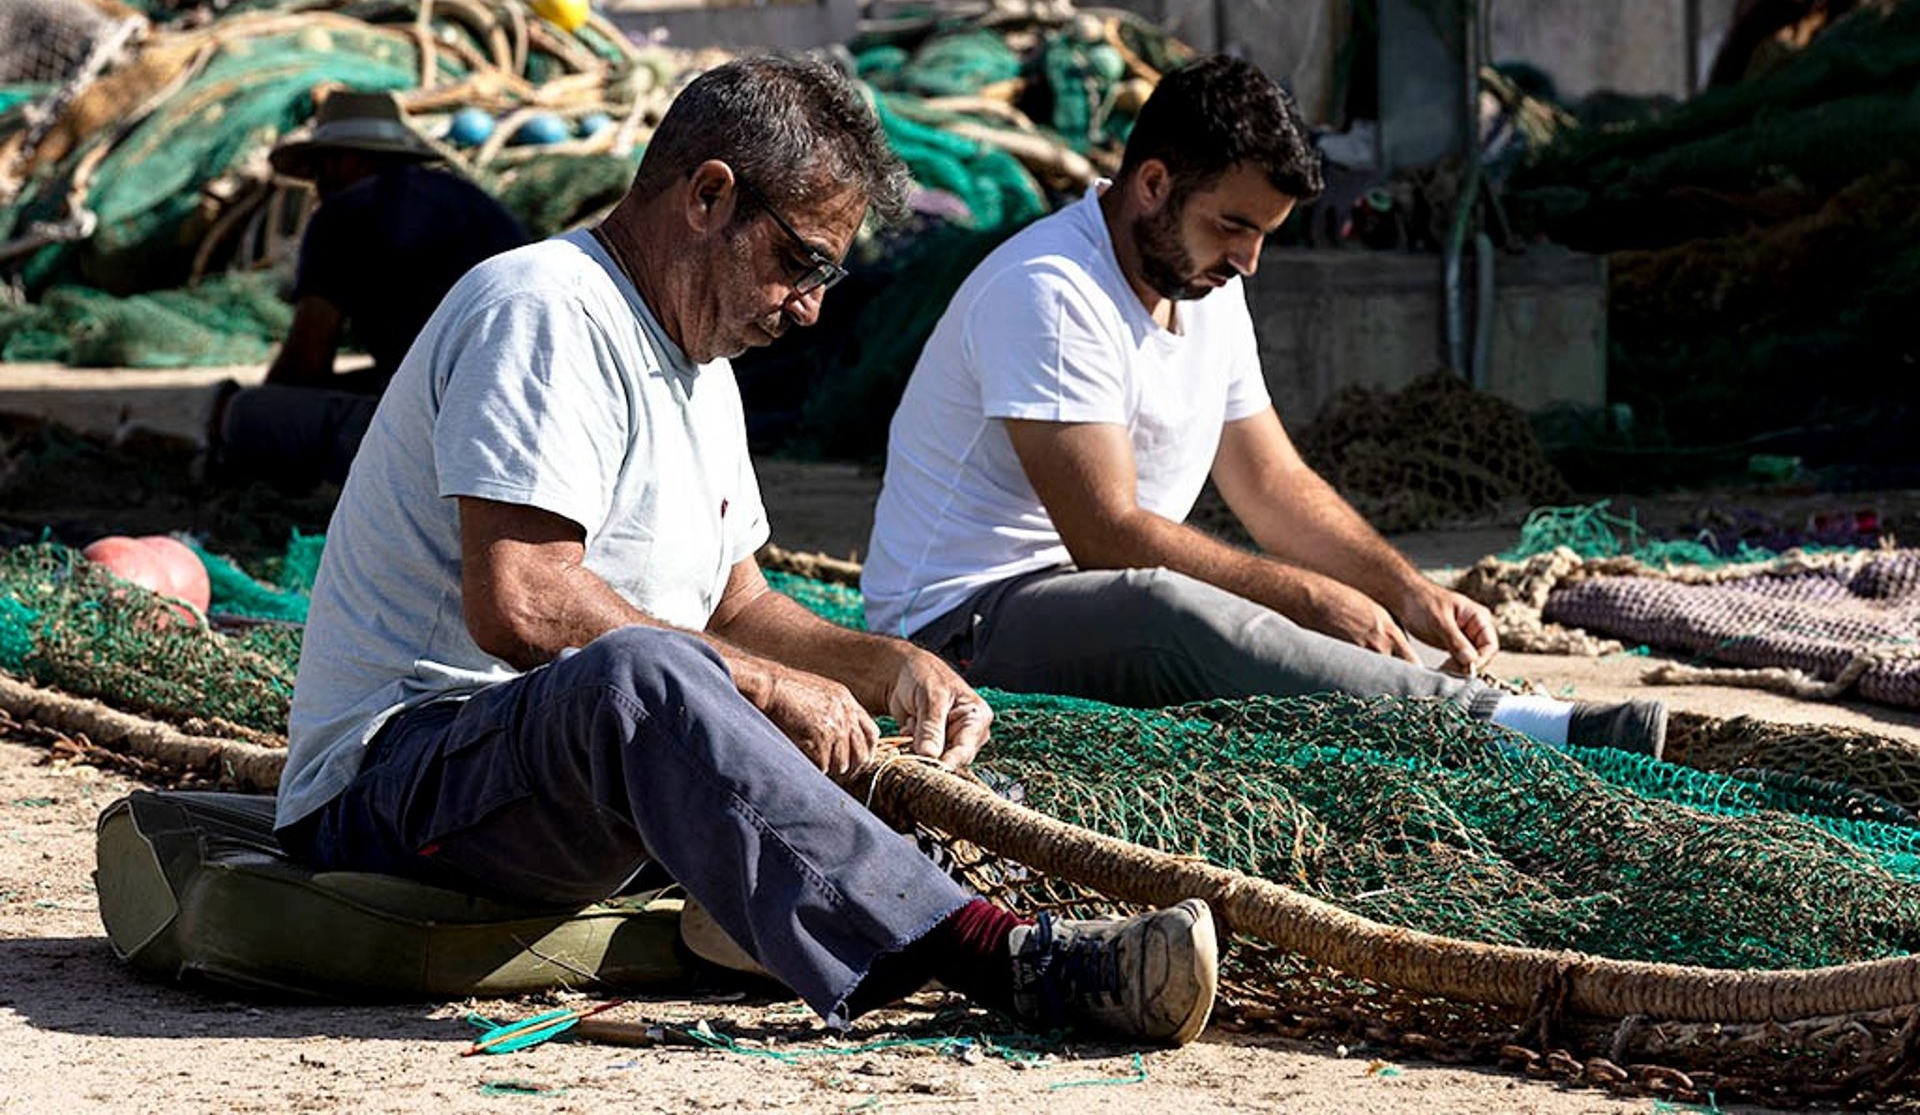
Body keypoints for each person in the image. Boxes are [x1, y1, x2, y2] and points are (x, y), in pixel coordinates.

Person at [273, 56, 1220, 1045]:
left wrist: (885, 665)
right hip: (395, 784)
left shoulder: (703, 358)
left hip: (558, 787)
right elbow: (522, 599)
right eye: (802, 261)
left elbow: (735, 604)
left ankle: (795, 911)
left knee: (866, 755)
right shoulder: (544, 307)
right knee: (638, 672)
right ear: (710, 195)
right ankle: (1004, 959)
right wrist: (767, 689)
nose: (809, 305)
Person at [862, 55, 1665, 757]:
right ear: (1152, 185)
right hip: (958, 629)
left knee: (1218, 605)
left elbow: (1273, 481)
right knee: (1169, 603)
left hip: (1098, 604)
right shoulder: (1050, 290)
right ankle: (1499, 726)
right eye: (1233, 226)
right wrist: (1308, 596)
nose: (1248, 260)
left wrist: (1403, 590)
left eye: (1265, 234)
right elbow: (1106, 536)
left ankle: (1458, 708)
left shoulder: (1207, 285)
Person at [210, 90, 531, 487]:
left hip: (454, 443)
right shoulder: (474, 201)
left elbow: (305, 362)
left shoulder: (344, 214)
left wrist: (248, 412)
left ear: (343, 161)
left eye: (319, 169)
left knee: (245, 412)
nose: (317, 186)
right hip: (530, 423)